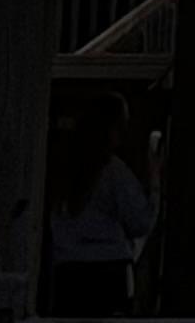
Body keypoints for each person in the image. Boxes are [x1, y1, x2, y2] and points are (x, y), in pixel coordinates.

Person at [43, 95, 154, 315]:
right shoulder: (115, 172)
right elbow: (139, 222)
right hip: (109, 268)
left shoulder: (60, 167)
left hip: (67, 266)